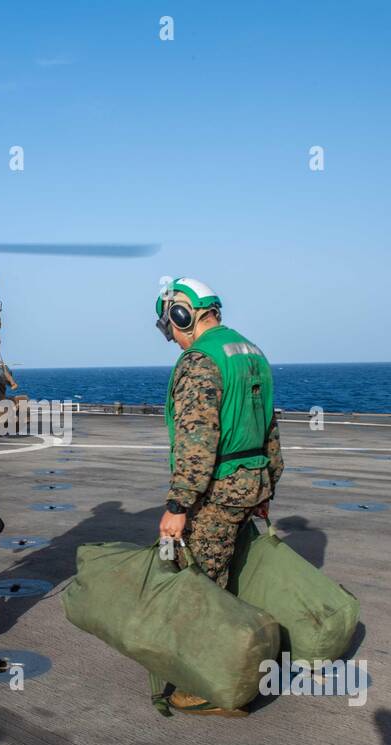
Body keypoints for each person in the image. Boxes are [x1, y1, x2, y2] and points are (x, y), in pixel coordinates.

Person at [155, 277, 283, 716]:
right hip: (253, 480)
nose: (171, 337)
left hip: (216, 490)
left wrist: (178, 506)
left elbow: (198, 441)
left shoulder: (200, 361)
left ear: (182, 314)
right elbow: (270, 429)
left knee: (205, 587)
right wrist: (267, 487)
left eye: (169, 325)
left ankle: (212, 686)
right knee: (232, 574)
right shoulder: (252, 353)